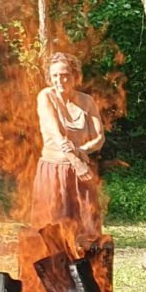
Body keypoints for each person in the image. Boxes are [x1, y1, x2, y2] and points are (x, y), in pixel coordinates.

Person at [31, 52, 105, 238]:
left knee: (86, 231)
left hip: (81, 172)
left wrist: (82, 151)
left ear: (74, 76)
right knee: (53, 230)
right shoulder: (46, 97)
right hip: (54, 171)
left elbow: (99, 138)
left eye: (65, 75)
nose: (60, 80)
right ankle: (53, 267)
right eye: (55, 75)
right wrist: (77, 162)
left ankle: (84, 266)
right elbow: (58, 136)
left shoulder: (87, 101)